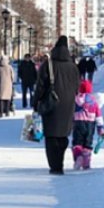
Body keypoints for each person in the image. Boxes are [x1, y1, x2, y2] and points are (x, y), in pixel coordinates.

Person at [33, 36, 80, 175]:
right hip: (68, 104)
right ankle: (60, 160)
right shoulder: (73, 66)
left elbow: (40, 86)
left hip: (51, 103)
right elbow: (77, 86)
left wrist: (36, 102)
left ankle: (55, 165)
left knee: (51, 135)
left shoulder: (48, 65)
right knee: (63, 135)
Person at [72, 79, 104, 169]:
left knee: (77, 143)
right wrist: (100, 128)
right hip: (90, 125)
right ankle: (86, 162)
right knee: (87, 143)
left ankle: (78, 157)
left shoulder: (76, 99)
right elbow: (98, 115)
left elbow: (71, 111)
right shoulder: (93, 102)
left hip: (78, 123)